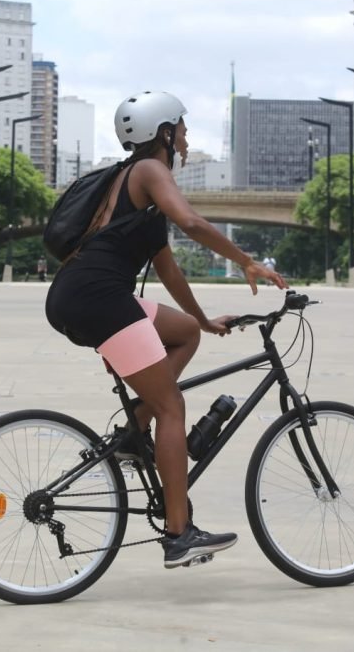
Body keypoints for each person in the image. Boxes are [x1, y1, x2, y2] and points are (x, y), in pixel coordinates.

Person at [45, 91, 286, 568]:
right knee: (171, 405)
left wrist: (202, 321)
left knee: (183, 335)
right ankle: (180, 535)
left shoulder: (135, 189)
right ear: (164, 134)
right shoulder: (149, 171)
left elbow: (169, 272)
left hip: (84, 294)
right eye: (181, 127)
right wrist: (246, 262)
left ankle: (136, 430)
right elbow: (192, 222)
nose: (186, 136)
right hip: (99, 298)